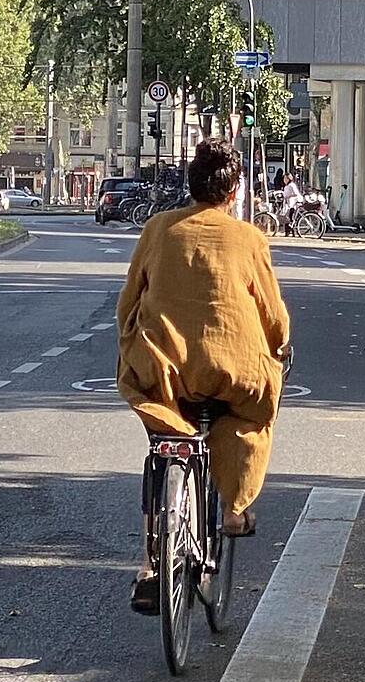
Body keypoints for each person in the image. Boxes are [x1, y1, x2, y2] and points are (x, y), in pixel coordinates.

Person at [116, 142, 291, 613]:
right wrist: (279, 348)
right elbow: (273, 317)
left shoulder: (157, 229)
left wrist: (133, 342)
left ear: (190, 185)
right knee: (252, 415)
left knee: (161, 444)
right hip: (232, 367)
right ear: (233, 191)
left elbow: (128, 302)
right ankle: (234, 511)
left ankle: (151, 565)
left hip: (165, 370)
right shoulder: (249, 239)